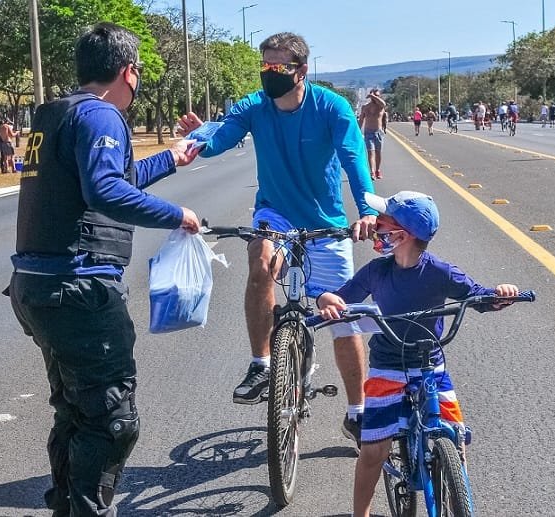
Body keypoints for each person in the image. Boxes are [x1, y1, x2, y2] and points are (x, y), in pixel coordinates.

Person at [7, 22, 203, 516]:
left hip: (37, 287)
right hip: (78, 287)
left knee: (75, 412)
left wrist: (171, 159)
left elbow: (111, 176)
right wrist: (177, 214)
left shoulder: (55, 115)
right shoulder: (102, 116)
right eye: (137, 75)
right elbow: (106, 192)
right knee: (113, 419)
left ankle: (66, 507)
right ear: (127, 71)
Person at [177, 31, 378, 443]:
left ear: (301, 71)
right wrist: (199, 139)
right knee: (261, 261)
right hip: (276, 213)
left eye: (278, 67)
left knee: (344, 319)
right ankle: (262, 364)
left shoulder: (331, 108)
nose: (269, 74)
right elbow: (223, 137)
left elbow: (354, 159)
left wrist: (368, 211)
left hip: (326, 221)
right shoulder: (255, 105)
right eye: (264, 66)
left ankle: (357, 412)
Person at [314, 190, 519, 517]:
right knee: (374, 451)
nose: (377, 224)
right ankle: (360, 514)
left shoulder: (439, 271)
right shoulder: (376, 271)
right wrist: (327, 300)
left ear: (401, 235)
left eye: (383, 221)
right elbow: (341, 296)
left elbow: (477, 295)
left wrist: (500, 295)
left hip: (430, 366)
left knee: (456, 438)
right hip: (388, 368)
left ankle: (454, 488)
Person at [358, 89, 387, 179]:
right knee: (371, 153)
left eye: (378, 96)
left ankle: (377, 170)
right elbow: (361, 120)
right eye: (375, 96)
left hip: (378, 133)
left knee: (378, 153)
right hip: (368, 132)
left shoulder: (381, 107)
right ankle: (372, 172)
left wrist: (372, 96)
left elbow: (383, 103)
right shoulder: (365, 107)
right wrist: (358, 131)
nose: (376, 98)